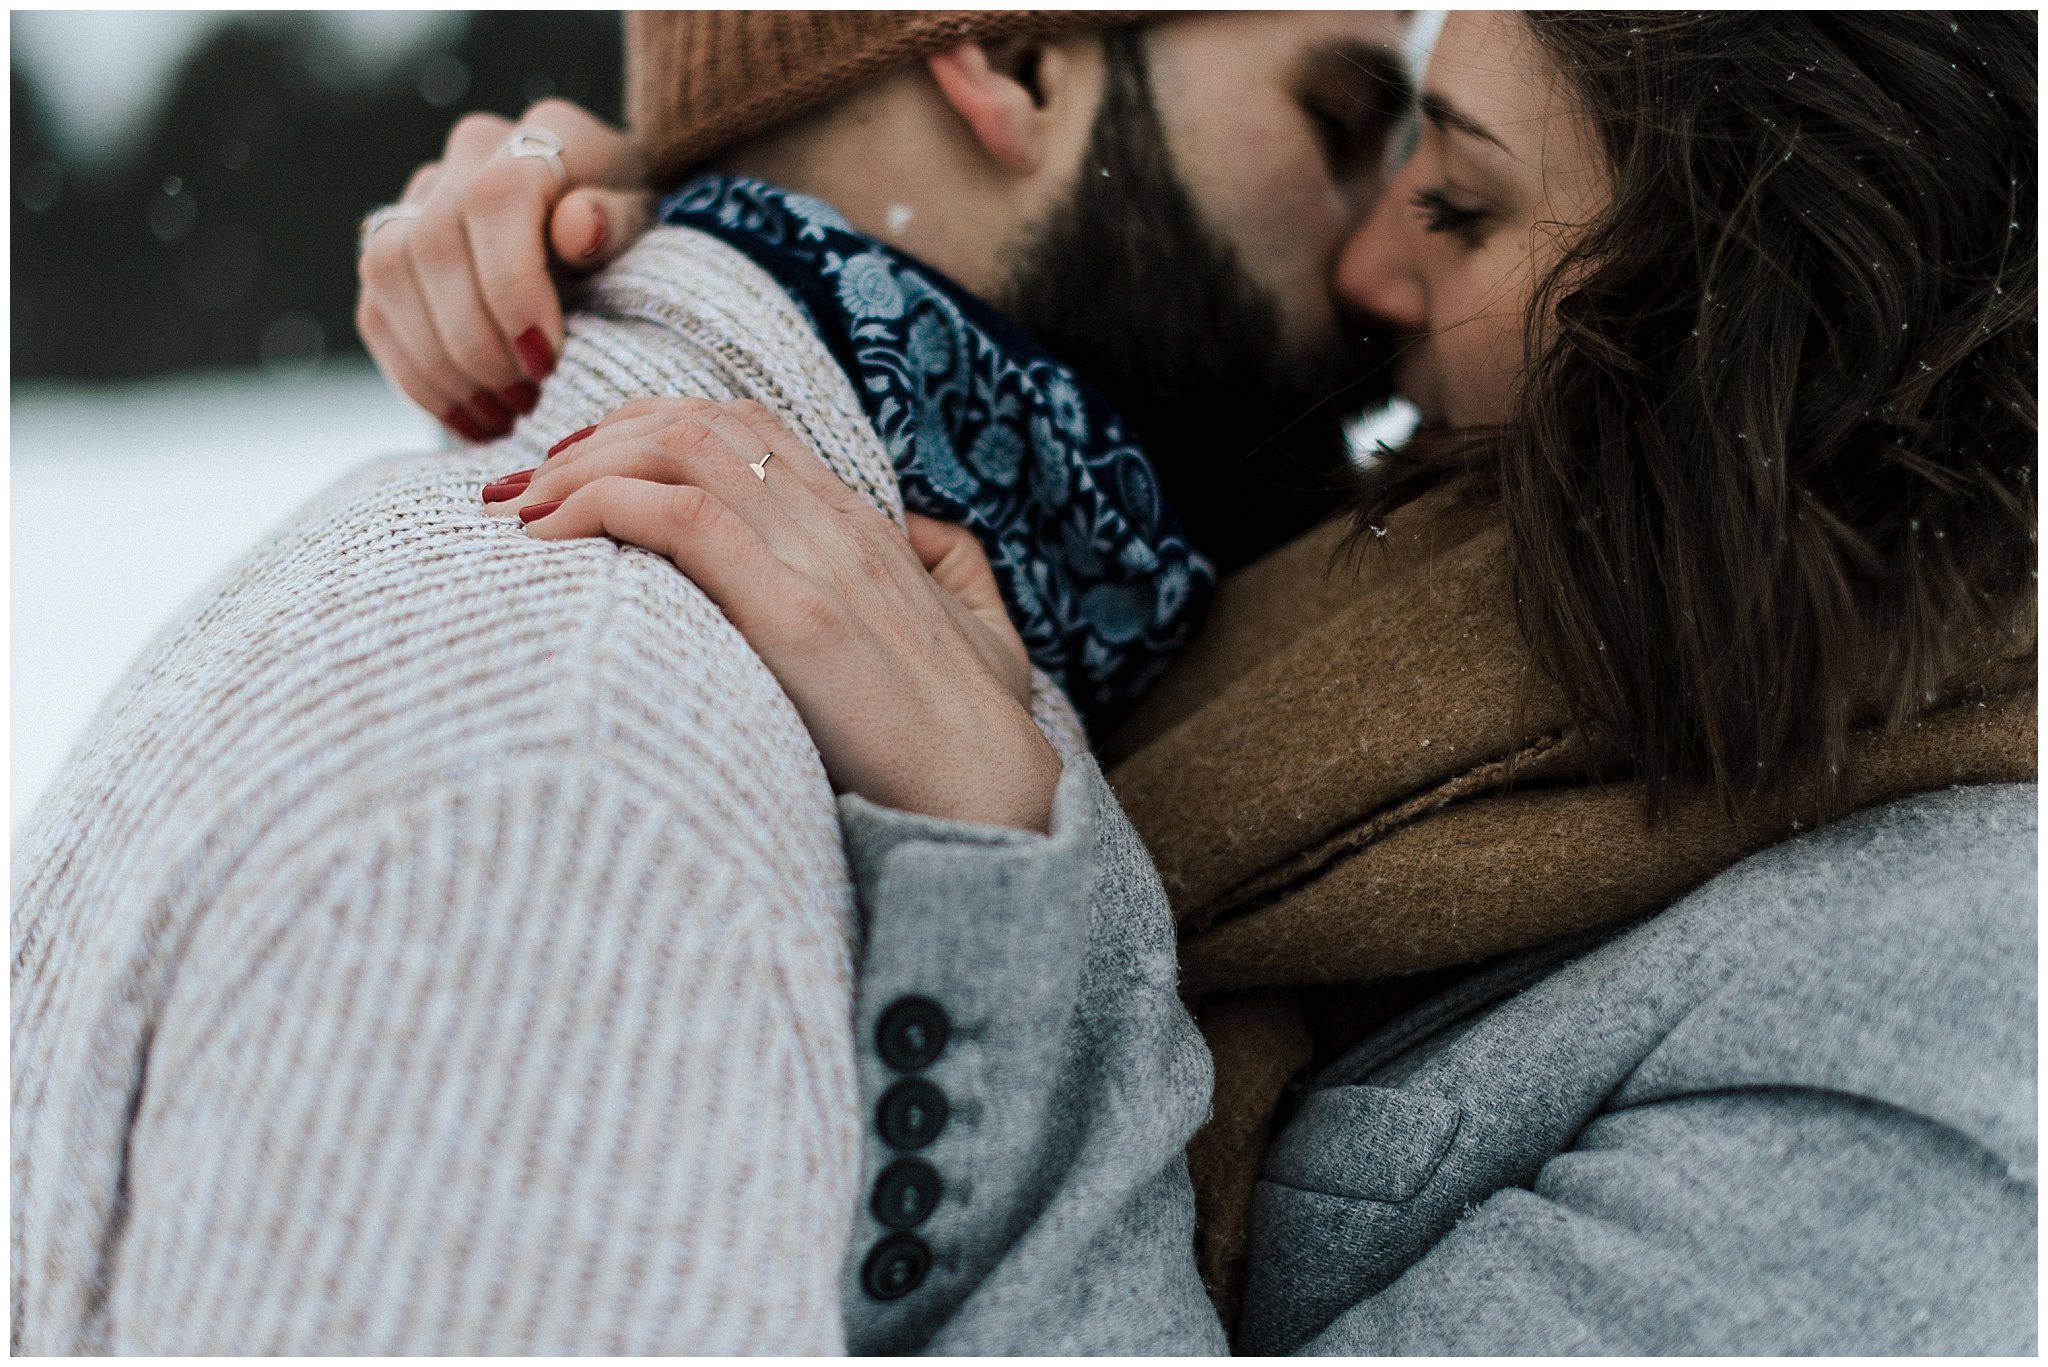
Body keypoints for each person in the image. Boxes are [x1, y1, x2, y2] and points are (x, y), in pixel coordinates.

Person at [384, 9, 2036, 1352]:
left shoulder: (1938, 1029)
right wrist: (668, 212)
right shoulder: (1384, 586)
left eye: (1454, 204)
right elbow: (1008, 315)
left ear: (1748, 312)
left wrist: (1004, 873)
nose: (1373, 275)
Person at [10, 11, 1421, 1354]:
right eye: (1346, 124)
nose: (1389, 265)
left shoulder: (723, 676)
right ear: (1010, 63)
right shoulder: (571, 809)